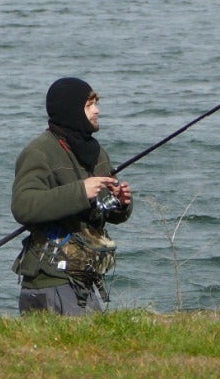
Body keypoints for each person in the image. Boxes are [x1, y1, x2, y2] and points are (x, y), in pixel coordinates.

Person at [10, 77, 132, 315]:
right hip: (50, 280)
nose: (98, 110)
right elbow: (23, 206)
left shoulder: (96, 152)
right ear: (71, 110)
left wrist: (120, 202)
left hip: (84, 277)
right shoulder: (39, 152)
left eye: (96, 103)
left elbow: (101, 210)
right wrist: (81, 191)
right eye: (89, 105)